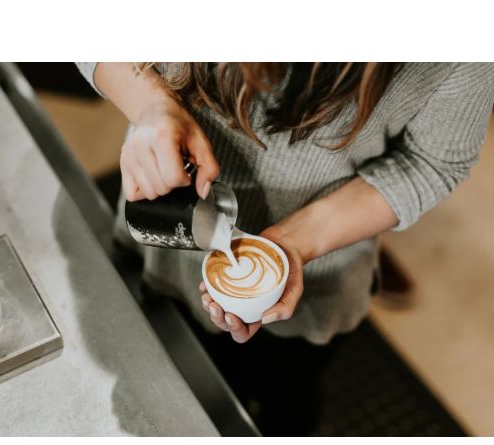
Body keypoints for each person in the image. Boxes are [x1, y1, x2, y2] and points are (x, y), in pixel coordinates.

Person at [77, 62, 494, 345]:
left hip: (318, 282)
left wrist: (299, 241)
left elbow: (433, 161)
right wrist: (150, 104)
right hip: (162, 243)